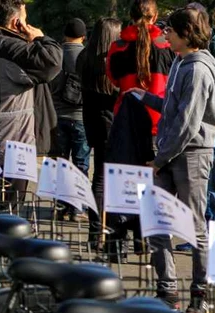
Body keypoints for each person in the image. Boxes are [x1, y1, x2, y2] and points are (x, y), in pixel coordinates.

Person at [128, 7, 215, 313]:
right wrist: (144, 96)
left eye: (170, 30)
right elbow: (173, 109)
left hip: (191, 155)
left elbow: (187, 122)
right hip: (170, 152)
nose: (164, 34)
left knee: (194, 227)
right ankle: (167, 291)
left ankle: (200, 295)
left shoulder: (197, 69)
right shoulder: (181, 62)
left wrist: (160, 157)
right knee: (156, 221)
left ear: (187, 34)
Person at [0, 0, 61, 200]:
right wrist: (42, 38)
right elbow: (51, 63)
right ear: (16, 23)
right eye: (25, 20)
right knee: (7, 211)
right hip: (8, 142)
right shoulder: (9, 48)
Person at [174, 2, 215, 251]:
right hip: (209, 121)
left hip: (213, 124)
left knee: (214, 184)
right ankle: (203, 236)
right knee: (205, 184)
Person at [76, 17, 122, 249]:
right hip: (111, 125)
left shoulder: (84, 58)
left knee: (99, 177)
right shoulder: (112, 61)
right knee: (111, 180)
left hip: (91, 122)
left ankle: (96, 232)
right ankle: (109, 232)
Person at [107, 0, 175, 139]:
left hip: (126, 119)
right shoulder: (169, 47)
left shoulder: (117, 47)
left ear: (131, 16)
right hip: (160, 120)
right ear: (155, 16)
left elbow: (114, 80)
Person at [51, 18, 88, 222]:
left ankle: (61, 206)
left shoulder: (54, 53)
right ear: (83, 36)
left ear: (65, 35)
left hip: (57, 115)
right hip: (80, 116)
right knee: (81, 163)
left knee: (61, 162)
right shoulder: (87, 55)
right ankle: (77, 208)